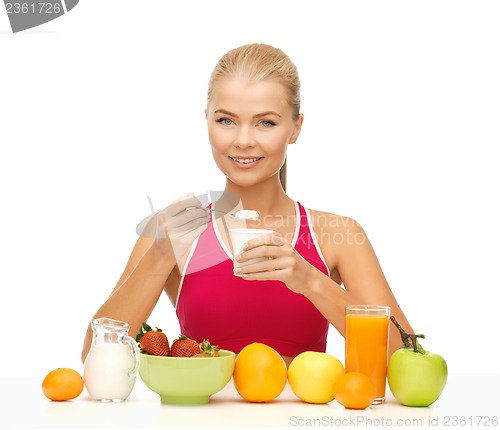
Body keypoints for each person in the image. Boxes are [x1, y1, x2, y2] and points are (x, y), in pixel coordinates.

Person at [81, 43, 413, 365]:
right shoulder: (171, 233)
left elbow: (406, 362)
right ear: (207, 120)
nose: (242, 140)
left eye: (265, 122)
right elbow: (94, 355)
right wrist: (161, 253)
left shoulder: (337, 234)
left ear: (295, 127)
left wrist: (310, 281)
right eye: (226, 120)